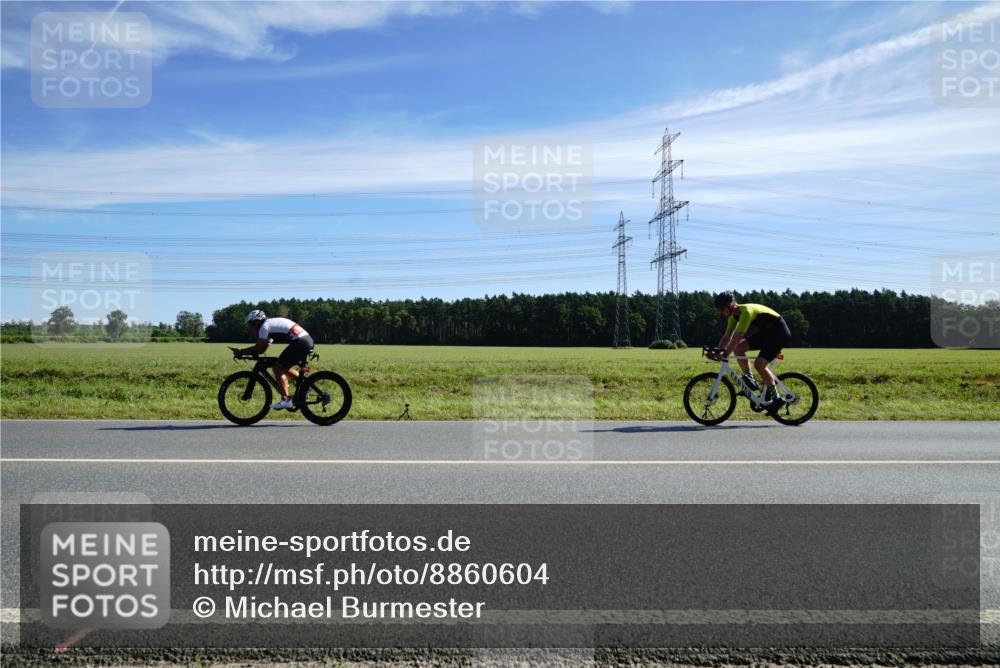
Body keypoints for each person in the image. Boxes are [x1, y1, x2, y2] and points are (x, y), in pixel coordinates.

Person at [711, 291, 791, 409]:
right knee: (738, 348)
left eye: (722, 309)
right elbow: (727, 336)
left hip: (779, 333)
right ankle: (750, 380)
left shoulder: (746, 312)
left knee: (759, 364)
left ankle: (777, 399)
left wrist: (726, 353)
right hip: (767, 333)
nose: (720, 312)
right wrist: (717, 350)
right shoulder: (733, 317)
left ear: (730, 305)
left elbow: (737, 337)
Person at [235, 310, 314, 410]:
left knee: (278, 368)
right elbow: (263, 349)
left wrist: (241, 352)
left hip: (300, 342)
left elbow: (259, 348)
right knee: (281, 365)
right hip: (305, 341)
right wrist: (248, 352)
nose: (250, 327)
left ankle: (286, 400)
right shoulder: (270, 325)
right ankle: (307, 385)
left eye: (250, 324)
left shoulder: (264, 326)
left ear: (257, 321)